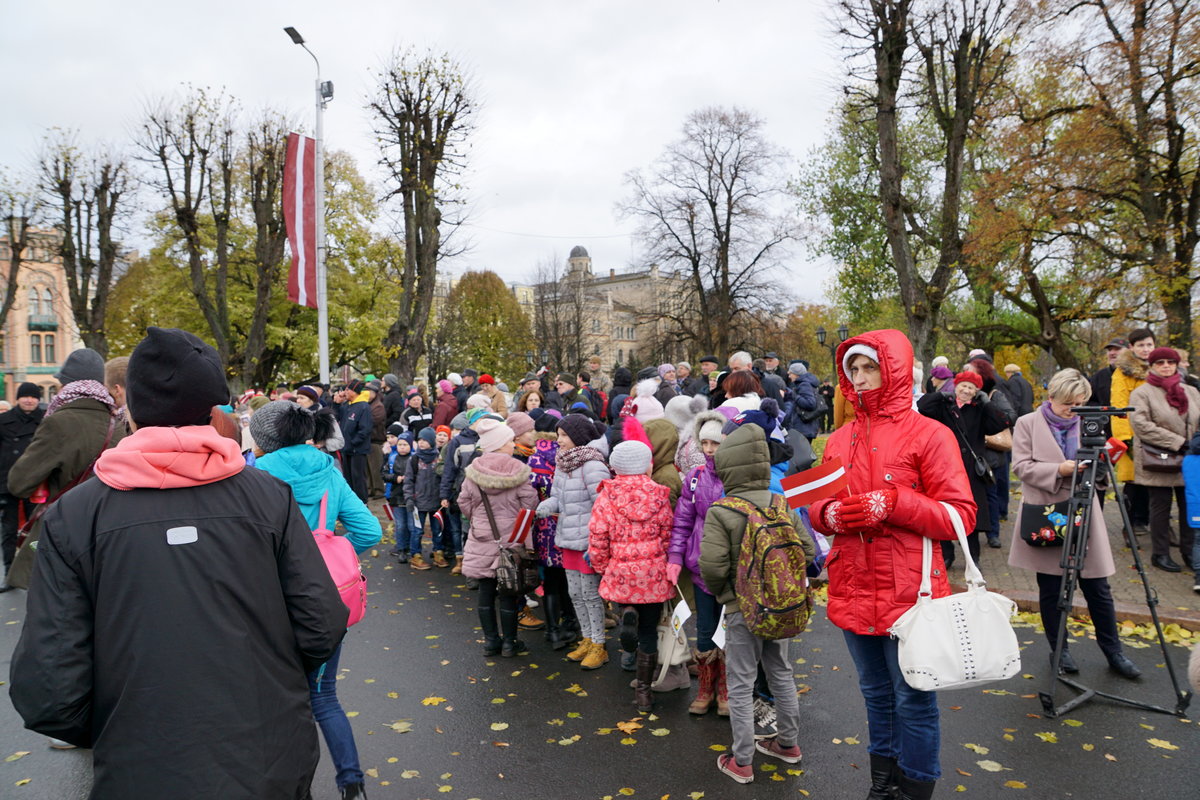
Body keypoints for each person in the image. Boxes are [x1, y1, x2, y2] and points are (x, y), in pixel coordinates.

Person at [10, 327, 347, 799]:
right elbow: (322, 622)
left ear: (132, 411)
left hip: (139, 764)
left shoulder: (77, 514)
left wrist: (119, 729)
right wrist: (276, 691)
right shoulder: (268, 497)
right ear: (215, 414)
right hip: (268, 753)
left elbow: (48, 683)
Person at [810, 330, 977, 800]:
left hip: (911, 591)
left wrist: (896, 503)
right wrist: (830, 515)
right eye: (853, 370)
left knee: (914, 698)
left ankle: (914, 788)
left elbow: (961, 516)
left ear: (895, 371)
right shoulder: (839, 439)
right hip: (855, 584)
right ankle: (882, 784)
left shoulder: (930, 434)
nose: (860, 379)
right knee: (876, 695)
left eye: (870, 368)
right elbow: (818, 505)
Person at [252, 400, 383, 800]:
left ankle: (292, 787)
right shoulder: (329, 470)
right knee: (324, 697)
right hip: (325, 603)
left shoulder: (253, 477)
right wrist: (334, 555)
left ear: (263, 441)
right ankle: (352, 783)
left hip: (272, 602)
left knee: (276, 700)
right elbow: (370, 531)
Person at [1008, 368, 1141, 679]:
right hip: (1047, 511)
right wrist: (1061, 469)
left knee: (1098, 586)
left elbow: (1100, 465)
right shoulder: (1027, 423)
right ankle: (1060, 649)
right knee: (1052, 588)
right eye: (1068, 403)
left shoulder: (1089, 421)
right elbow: (1021, 467)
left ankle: (1114, 652)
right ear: (1051, 397)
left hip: (1085, 510)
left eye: (1080, 402)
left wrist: (1104, 463)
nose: (1073, 409)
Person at [700, 423, 810, 785]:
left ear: (729, 467)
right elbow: (808, 552)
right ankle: (788, 745)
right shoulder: (781, 503)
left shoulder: (722, 510)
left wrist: (726, 596)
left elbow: (712, 567)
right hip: (782, 607)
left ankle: (742, 761)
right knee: (781, 673)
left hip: (742, 610)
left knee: (741, 683)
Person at [6, 348, 126, 591]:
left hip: (64, 532)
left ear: (68, 386)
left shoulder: (59, 422)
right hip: (110, 533)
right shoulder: (118, 423)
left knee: (56, 616)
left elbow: (19, 483)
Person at [588, 423, 674, 712]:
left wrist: (603, 567)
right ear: (647, 466)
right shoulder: (660, 494)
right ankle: (644, 694)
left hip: (621, 570)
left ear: (615, 468)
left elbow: (598, 536)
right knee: (650, 631)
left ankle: (626, 614)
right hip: (652, 572)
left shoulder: (607, 495)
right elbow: (667, 533)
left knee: (627, 606)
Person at [459, 418, 539, 656]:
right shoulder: (518, 470)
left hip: (482, 537)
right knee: (508, 593)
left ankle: (491, 641)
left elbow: (464, 501)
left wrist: (478, 519)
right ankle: (509, 643)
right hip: (511, 539)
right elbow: (530, 503)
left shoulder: (474, 471)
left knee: (485, 592)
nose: (513, 444)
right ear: (502, 444)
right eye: (509, 441)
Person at [537, 414, 610, 670]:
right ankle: (587, 639)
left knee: (590, 594)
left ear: (578, 437)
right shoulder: (562, 464)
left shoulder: (593, 465)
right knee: (575, 593)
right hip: (567, 538)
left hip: (588, 542)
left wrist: (597, 541)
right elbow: (557, 496)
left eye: (564, 436)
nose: (559, 441)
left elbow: (602, 505)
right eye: (558, 435)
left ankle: (599, 645)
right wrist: (547, 505)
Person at [670, 410, 730, 716]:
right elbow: (682, 522)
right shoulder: (694, 479)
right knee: (705, 628)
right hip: (702, 566)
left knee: (730, 629)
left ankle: (727, 689)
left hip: (733, 571)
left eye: (715, 443)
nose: (708, 449)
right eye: (704, 442)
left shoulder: (736, 477)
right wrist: (675, 558)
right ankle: (706, 687)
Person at [917, 370, 1007, 568]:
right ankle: (947, 554)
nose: (966, 390)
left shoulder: (979, 409)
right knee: (943, 510)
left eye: (971, 387)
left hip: (971, 471)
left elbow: (1001, 422)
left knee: (971, 513)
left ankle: (972, 558)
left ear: (976, 391)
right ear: (956, 386)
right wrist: (940, 394)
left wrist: (986, 403)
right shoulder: (944, 405)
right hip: (944, 466)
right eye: (963, 386)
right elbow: (921, 406)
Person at [1129, 347, 1200, 572]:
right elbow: (1141, 425)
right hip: (1158, 457)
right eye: (1160, 363)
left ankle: (1190, 552)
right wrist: (1178, 442)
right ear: (1151, 366)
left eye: (1170, 362)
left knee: (1189, 505)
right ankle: (1160, 554)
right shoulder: (1142, 392)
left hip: (1189, 458)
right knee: (1160, 506)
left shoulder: (1191, 391)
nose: (1166, 366)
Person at [0, 383, 44, 591]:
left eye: (33, 397)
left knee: (36, 530)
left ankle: (35, 573)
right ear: (17, 399)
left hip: (36, 483)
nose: (29, 400)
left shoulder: (46, 420)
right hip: (7, 482)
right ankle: (9, 574)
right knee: (9, 531)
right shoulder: (3, 421)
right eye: (25, 396)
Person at [1112, 329, 1156, 532]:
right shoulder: (1122, 372)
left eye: (1149, 345)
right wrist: (1125, 439)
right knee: (1133, 481)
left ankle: (1146, 521)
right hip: (1133, 434)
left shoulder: (1159, 368)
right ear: (1132, 347)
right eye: (1141, 345)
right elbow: (1119, 407)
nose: (1145, 349)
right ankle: (1129, 526)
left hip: (1157, 434)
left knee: (1156, 481)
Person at [406, 427, 445, 570]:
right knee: (417, 531)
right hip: (418, 501)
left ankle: (438, 552)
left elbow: (444, 478)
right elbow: (408, 480)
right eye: (419, 440)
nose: (421, 443)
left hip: (436, 501)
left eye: (425, 440)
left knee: (438, 529)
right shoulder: (414, 459)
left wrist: (444, 496)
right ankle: (416, 556)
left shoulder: (439, 457)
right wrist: (409, 498)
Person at [336, 379, 373, 502]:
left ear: (354, 391)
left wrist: (353, 443)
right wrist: (337, 403)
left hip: (357, 449)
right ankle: (351, 504)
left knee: (358, 479)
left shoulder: (363, 406)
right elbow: (335, 416)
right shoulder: (347, 405)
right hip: (346, 449)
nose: (345, 392)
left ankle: (362, 504)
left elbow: (365, 429)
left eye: (347, 389)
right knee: (348, 479)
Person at [383, 424, 414, 562]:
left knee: (412, 525)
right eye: (400, 444)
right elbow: (384, 474)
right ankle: (401, 549)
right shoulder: (392, 458)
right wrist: (396, 478)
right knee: (400, 525)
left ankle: (413, 549)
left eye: (405, 444)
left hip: (412, 497)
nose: (402, 447)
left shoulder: (414, 458)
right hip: (396, 496)